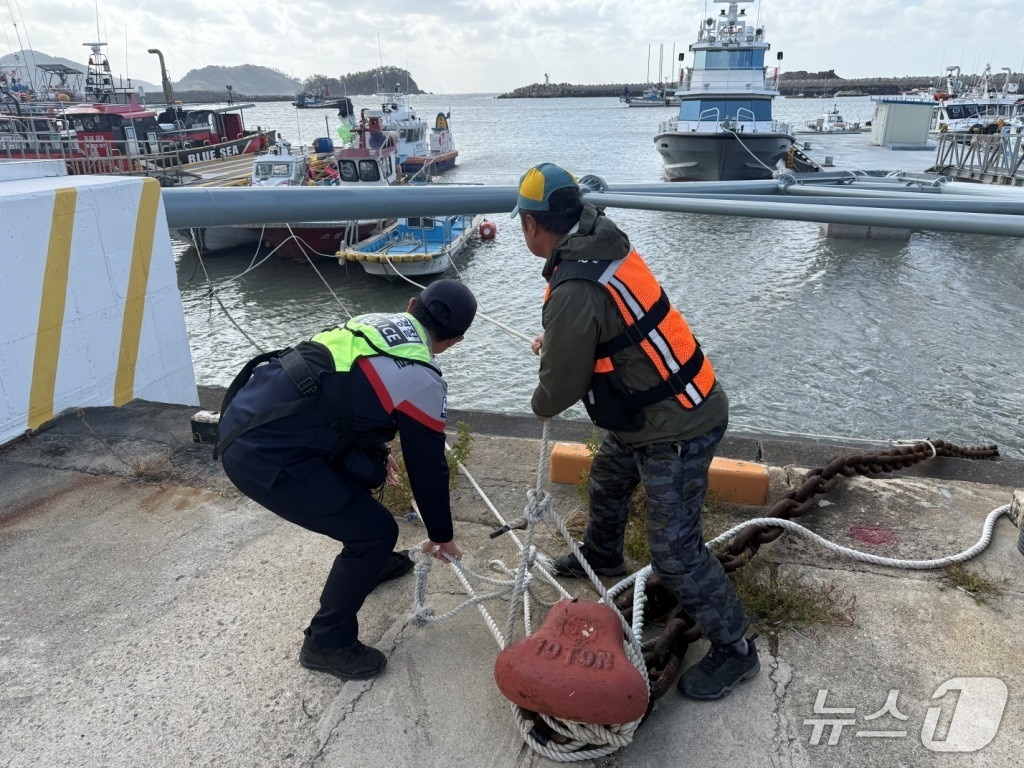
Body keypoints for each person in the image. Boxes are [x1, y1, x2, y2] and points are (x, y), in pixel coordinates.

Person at [511, 163, 757, 701]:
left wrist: (547, 382)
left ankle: (735, 647)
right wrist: (563, 345)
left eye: (522, 224)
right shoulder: (600, 242)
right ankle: (602, 555)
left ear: (533, 225)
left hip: (677, 426)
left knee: (676, 552)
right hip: (658, 409)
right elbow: (608, 331)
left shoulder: (575, 287)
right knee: (609, 477)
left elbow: (555, 392)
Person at [216, 280, 477, 681]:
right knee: (374, 532)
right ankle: (327, 641)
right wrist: (442, 534)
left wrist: (378, 448)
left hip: (245, 417)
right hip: (265, 458)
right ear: (455, 341)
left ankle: (368, 568)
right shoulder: (424, 379)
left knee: (365, 472)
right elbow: (428, 468)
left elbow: (340, 392)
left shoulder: (370, 322)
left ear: (412, 305)